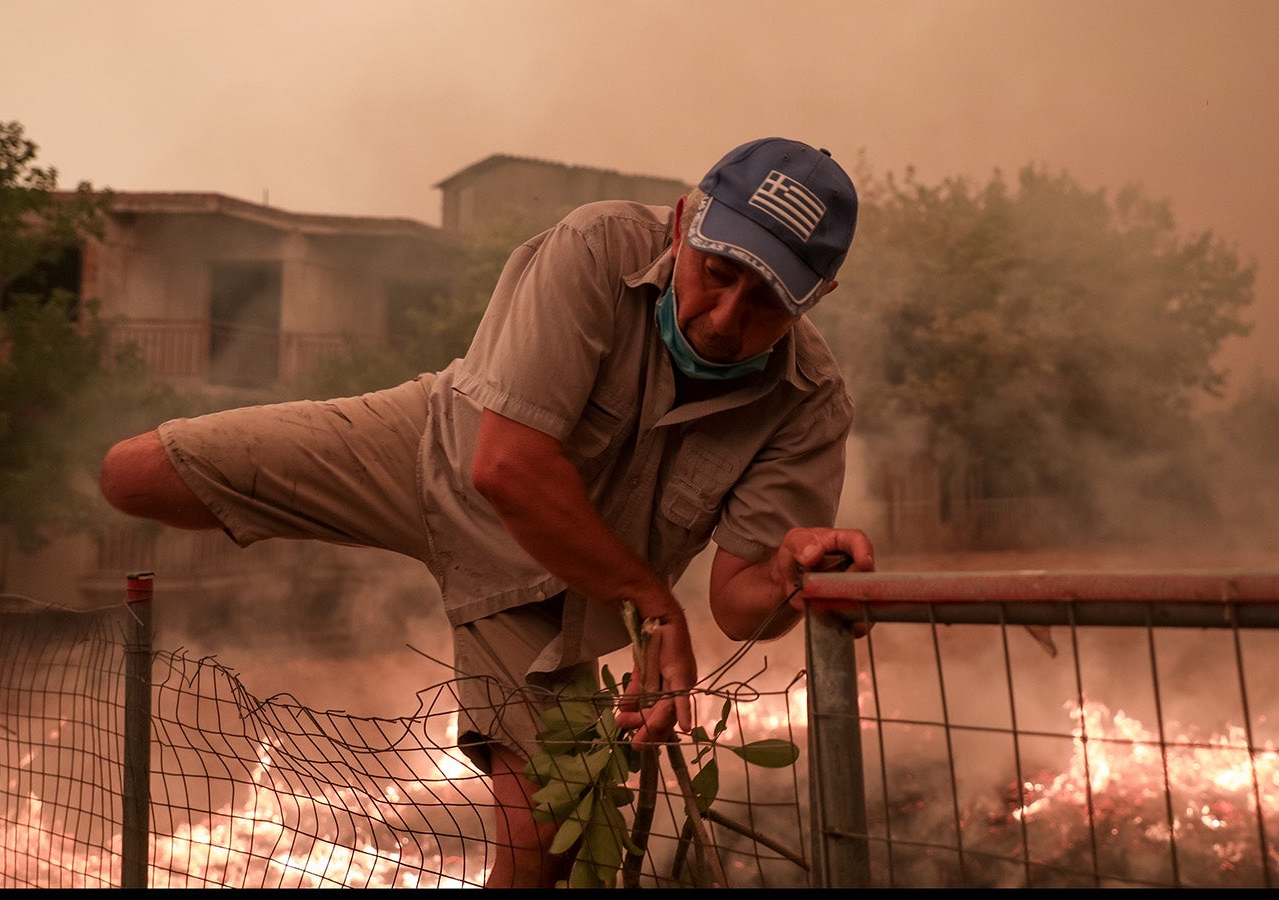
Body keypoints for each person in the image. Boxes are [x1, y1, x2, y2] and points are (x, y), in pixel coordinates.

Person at [97, 136, 875, 887]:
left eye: (767, 299)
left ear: (816, 300)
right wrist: (652, 604)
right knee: (133, 475)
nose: (725, 315)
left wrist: (787, 572)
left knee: (544, 838)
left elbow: (740, 608)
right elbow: (505, 465)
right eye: (716, 272)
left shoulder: (807, 406)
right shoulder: (597, 248)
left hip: (554, 594)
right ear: (682, 223)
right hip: (433, 451)